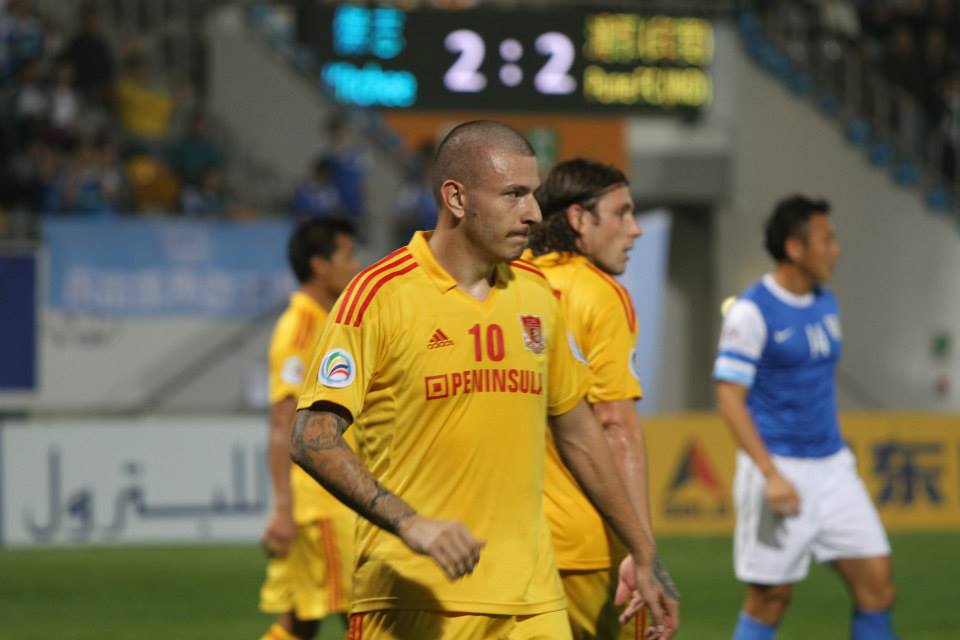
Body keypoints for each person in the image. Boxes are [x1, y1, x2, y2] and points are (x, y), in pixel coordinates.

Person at [291, 120, 673, 640]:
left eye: (533, 194)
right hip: (415, 597)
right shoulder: (378, 296)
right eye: (513, 194)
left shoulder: (537, 294)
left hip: (533, 599)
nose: (534, 213)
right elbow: (312, 438)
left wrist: (642, 551)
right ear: (456, 198)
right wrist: (410, 523)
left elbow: (580, 432)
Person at [714, 196, 896, 640]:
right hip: (780, 469)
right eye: (826, 240)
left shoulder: (825, 303)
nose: (835, 249)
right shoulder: (752, 311)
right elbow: (729, 397)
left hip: (833, 466)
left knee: (877, 588)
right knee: (771, 599)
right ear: (795, 248)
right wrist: (769, 473)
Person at [527, 158, 678, 639]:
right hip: (588, 542)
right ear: (578, 219)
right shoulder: (599, 294)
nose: (635, 230)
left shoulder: (510, 284)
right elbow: (615, 426)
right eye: (622, 213)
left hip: (514, 545)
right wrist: (644, 552)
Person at [259, 217, 361, 640]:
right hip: (323, 499)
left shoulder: (327, 320)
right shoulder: (300, 327)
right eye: (347, 256)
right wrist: (283, 508)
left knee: (303, 620)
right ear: (320, 265)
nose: (356, 266)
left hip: (335, 494)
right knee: (361, 615)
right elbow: (283, 423)